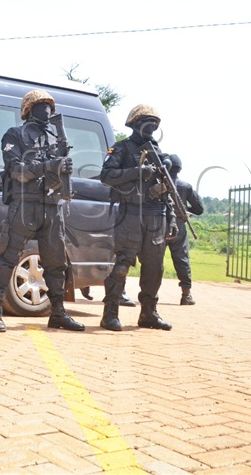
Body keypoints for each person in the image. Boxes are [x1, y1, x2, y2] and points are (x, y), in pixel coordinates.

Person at [0, 90, 84, 333]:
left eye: (49, 106)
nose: (47, 111)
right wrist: (48, 165)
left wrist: (63, 167)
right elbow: (17, 170)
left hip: (52, 206)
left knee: (56, 262)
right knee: (9, 257)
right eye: (41, 106)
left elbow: (57, 170)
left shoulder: (54, 137)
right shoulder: (15, 134)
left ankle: (58, 312)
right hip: (24, 205)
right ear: (29, 108)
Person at [99, 104, 178, 331]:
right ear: (134, 123)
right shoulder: (122, 148)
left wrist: (171, 218)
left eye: (154, 122)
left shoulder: (159, 152)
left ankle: (148, 313)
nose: (151, 126)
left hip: (156, 216)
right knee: (123, 264)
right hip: (131, 214)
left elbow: (168, 189)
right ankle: (110, 313)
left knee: (155, 267)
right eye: (146, 121)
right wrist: (137, 172)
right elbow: (106, 176)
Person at [166, 154, 204, 305]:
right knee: (182, 259)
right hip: (179, 227)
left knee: (153, 261)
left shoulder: (155, 183)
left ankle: (150, 293)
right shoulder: (185, 186)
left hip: (158, 226)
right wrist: (183, 210)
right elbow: (199, 209)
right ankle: (186, 295)